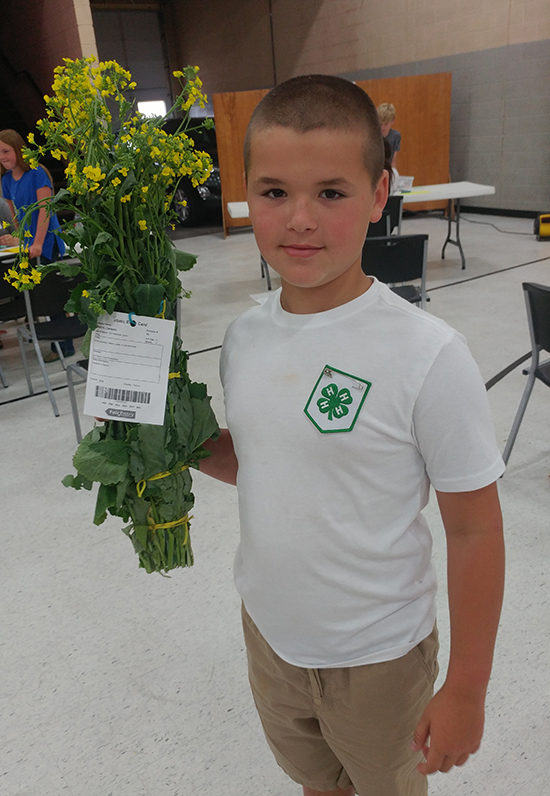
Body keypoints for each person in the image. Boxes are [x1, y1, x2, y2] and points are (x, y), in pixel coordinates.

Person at [199, 74, 505, 796]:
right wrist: (165, 435)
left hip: (379, 657)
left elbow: (474, 532)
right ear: (248, 198)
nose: (300, 218)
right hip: (270, 635)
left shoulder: (426, 354)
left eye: (331, 192)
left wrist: (466, 685)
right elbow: (266, 463)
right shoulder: (244, 336)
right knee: (316, 782)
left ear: (378, 194)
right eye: (274, 192)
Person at [0, 128, 72, 360]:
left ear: (18, 149)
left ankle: (64, 345)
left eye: (6, 151)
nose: (2, 157)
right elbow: (16, 217)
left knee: (52, 293)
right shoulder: (6, 180)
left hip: (47, 240)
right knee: (40, 293)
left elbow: (45, 210)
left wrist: (38, 242)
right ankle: (54, 337)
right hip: (29, 243)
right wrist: (16, 237)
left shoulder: (37, 173)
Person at [377, 102, 401, 170]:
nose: (383, 128)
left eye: (386, 124)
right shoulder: (373, 136)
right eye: (381, 124)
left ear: (393, 121)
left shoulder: (396, 136)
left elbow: (393, 160)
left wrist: (394, 173)